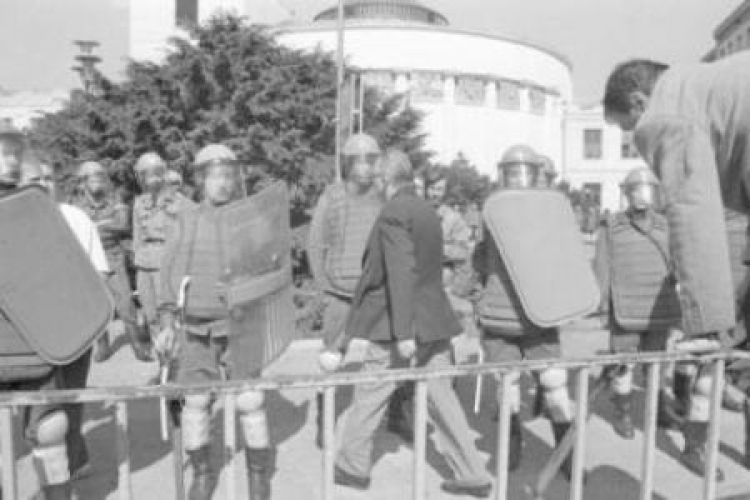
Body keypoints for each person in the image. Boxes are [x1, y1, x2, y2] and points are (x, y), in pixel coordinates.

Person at [603, 54, 750, 477]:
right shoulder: (712, 87)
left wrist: (707, 323)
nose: (637, 142)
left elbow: (691, 206)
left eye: (630, 129)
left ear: (638, 100)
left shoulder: (667, 111)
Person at [333, 149, 492, 498]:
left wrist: (404, 331)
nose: (373, 185)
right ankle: (472, 473)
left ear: (385, 180)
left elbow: (400, 271)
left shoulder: (392, 212)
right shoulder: (424, 209)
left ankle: (351, 466)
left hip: (398, 322)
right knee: (442, 398)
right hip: (433, 317)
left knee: (370, 392)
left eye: (376, 179)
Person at [155, 144, 277, 500]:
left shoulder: (250, 219)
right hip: (195, 327)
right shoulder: (187, 220)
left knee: (250, 400)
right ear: (200, 180)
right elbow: (169, 274)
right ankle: (203, 474)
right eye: (215, 176)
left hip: (240, 325)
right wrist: (166, 321)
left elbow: (267, 268)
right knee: (195, 402)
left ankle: (258, 478)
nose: (223, 183)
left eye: (228, 175)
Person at [472, 145, 576, 477]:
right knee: (508, 390)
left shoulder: (551, 215)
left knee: (555, 387)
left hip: (538, 315)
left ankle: (566, 458)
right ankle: (510, 448)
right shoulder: (493, 212)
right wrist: (475, 298)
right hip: (503, 317)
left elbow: (562, 262)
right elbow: (480, 260)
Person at [21, 155, 110, 484]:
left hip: (75, 330)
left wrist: (95, 328)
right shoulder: (10, 224)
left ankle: (71, 467)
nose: (42, 184)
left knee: (69, 401)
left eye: (48, 178)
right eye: (34, 179)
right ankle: (55, 478)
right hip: (28, 337)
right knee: (42, 415)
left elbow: (99, 274)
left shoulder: (77, 219)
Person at [592, 168, 683, 439]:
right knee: (625, 363)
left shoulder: (667, 225)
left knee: (655, 363)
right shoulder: (611, 227)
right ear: (626, 194)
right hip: (625, 308)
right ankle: (623, 412)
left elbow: (678, 262)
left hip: (659, 307)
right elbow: (602, 268)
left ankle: (659, 410)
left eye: (646, 190)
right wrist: (604, 307)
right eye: (635, 190)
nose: (641, 196)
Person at [307, 133, 384, 446]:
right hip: (339, 293)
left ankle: (397, 414)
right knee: (331, 359)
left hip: (378, 292)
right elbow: (315, 243)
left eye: (370, 159)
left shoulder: (384, 196)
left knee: (393, 355)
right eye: (358, 159)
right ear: (347, 163)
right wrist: (323, 287)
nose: (364, 166)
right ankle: (324, 417)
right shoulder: (333, 196)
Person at [70, 161, 152, 362]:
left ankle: (138, 347)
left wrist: (92, 226)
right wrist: (105, 224)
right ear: (82, 182)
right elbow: (73, 229)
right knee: (97, 305)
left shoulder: (116, 199)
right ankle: (103, 347)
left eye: (100, 176)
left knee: (126, 304)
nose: (97, 181)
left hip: (113, 257)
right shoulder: (75, 204)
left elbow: (123, 224)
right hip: (88, 259)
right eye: (92, 177)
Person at [131, 152, 193, 342]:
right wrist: (138, 260)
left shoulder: (180, 202)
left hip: (167, 265)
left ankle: (176, 364)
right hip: (144, 266)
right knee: (151, 316)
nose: (150, 179)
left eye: (154, 173)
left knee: (169, 315)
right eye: (144, 174)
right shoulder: (139, 203)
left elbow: (190, 236)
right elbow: (137, 237)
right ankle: (163, 361)